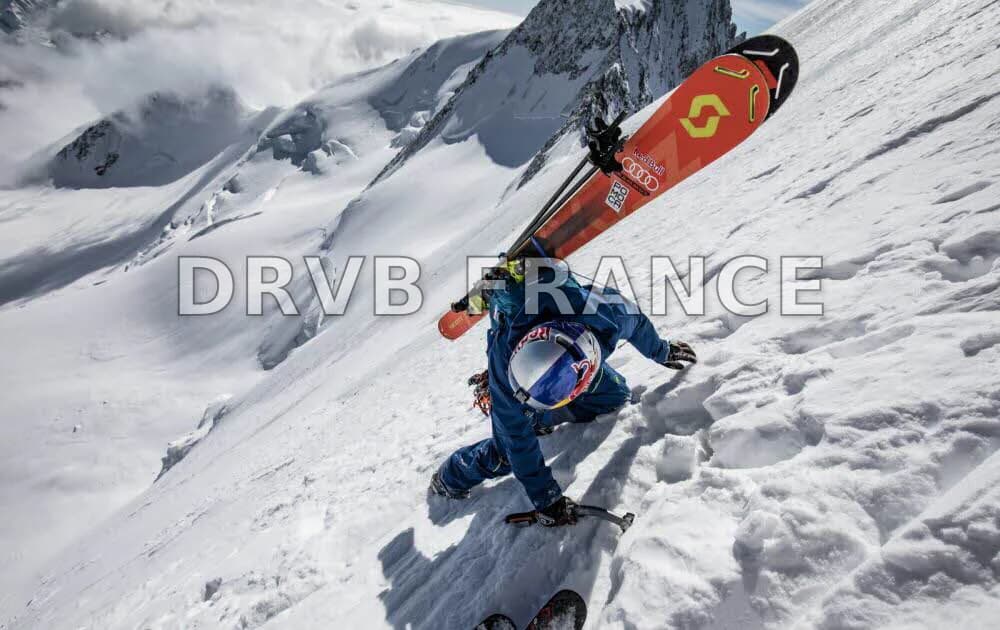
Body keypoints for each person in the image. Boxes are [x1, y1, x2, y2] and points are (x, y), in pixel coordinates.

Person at [430, 259, 697, 526]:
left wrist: (661, 350)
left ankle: (536, 413)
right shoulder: (505, 363)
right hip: (517, 330)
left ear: (588, 365)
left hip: (553, 325)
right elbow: (516, 440)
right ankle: (450, 476)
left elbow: (636, 323)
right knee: (506, 451)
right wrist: (546, 499)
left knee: (613, 396)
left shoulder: (604, 315)